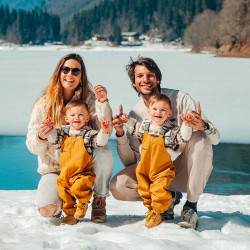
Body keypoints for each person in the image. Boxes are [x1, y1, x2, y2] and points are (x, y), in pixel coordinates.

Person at [110, 57, 220, 230]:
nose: (145, 80)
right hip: (154, 170)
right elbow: (131, 161)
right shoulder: (136, 114)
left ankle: (191, 206)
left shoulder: (180, 99)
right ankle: (166, 197)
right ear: (134, 83)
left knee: (201, 137)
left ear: (158, 78)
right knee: (118, 186)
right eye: (140, 76)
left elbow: (215, 139)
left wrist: (203, 126)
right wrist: (121, 133)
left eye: (150, 75)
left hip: (184, 168)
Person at [26, 53, 113, 223]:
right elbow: (32, 146)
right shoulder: (44, 104)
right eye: (65, 70)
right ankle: (64, 205)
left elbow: (104, 132)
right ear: (58, 73)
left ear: (82, 76)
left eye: (75, 71)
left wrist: (102, 103)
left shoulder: (90, 99)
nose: (70, 75)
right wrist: (41, 136)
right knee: (46, 210)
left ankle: (99, 200)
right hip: (55, 170)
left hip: (82, 167)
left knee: (104, 152)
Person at [119, 94, 192, 228]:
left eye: (163, 110)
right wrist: (126, 120)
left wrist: (187, 125)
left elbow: (183, 138)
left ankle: (158, 212)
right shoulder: (145, 127)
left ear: (169, 113)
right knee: (144, 189)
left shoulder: (170, 131)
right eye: (155, 109)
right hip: (144, 168)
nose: (158, 112)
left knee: (158, 190)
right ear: (149, 111)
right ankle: (150, 210)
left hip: (162, 169)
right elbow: (134, 128)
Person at [41, 100, 110, 225]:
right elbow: (53, 140)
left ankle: (83, 203)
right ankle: (70, 215)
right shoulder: (62, 132)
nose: (76, 118)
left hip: (82, 172)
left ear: (87, 118)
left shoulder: (89, 134)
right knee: (64, 192)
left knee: (80, 187)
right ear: (66, 118)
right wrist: (50, 129)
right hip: (65, 173)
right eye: (72, 115)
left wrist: (104, 132)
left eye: (80, 115)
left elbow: (100, 142)